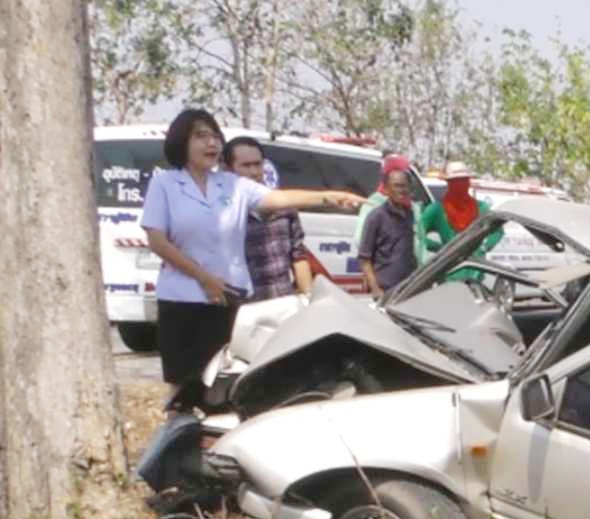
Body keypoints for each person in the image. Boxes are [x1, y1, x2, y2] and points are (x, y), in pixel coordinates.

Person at [141, 109, 362, 406]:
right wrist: (204, 279)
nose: (211, 143)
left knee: (228, 389)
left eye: (215, 136)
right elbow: (157, 240)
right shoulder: (165, 184)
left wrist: (328, 196)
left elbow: (279, 199)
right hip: (183, 304)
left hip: (230, 302)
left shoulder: (232, 185)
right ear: (182, 142)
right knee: (185, 392)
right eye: (201, 136)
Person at [222, 136, 313, 301]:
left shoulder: (284, 207)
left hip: (282, 302)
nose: (254, 172)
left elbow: (298, 256)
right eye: (246, 165)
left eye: (257, 164)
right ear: (228, 169)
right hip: (241, 307)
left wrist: (307, 297)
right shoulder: (223, 212)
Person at [418, 160, 503, 281]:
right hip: (448, 275)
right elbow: (417, 232)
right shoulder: (437, 210)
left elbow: (498, 230)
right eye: (456, 182)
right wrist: (439, 248)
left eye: (464, 180)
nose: (461, 185)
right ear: (448, 183)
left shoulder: (481, 208)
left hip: (475, 275)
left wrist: (485, 246)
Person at [358, 168, 417, 300]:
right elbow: (364, 259)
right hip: (385, 291)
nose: (402, 190)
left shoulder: (409, 214)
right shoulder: (376, 217)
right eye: (397, 186)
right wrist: (375, 289)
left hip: (407, 289)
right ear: (386, 189)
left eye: (405, 186)